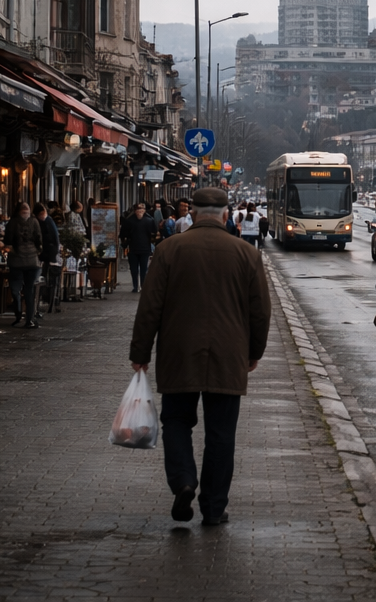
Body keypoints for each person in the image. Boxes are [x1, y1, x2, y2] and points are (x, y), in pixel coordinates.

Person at [129, 186, 269, 527]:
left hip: (178, 352)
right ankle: (213, 507)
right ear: (226, 215)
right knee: (221, 434)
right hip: (228, 353)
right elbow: (260, 312)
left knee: (176, 422)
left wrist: (140, 352)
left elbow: (150, 307)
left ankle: (183, 481)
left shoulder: (168, 250)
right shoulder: (246, 254)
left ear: (191, 213)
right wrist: (254, 352)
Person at [2, 203, 43, 328]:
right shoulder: (30, 222)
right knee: (26, 291)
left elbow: (8, 241)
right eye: (24, 209)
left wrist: (11, 250)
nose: (25, 211)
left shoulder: (13, 223)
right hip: (27, 261)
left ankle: (23, 316)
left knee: (18, 290)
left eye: (27, 208)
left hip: (20, 261)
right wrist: (38, 251)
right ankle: (26, 318)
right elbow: (39, 240)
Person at [121, 201, 160, 292]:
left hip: (144, 248)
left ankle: (142, 286)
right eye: (138, 209)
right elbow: (124, 235)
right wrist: (125, 246)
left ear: (144, 211)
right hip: (133, 249)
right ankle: (135, 286)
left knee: (143, 269)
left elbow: (154, 234)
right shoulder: (129, 221)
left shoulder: (149, 221)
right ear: (135, 211)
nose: (140, 211)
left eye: (142, 209)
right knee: (134, 269)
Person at [35, 203, 63, 312]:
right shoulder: (48, 221)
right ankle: (49, 301)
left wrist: (50, 256)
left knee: (45, 280)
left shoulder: (47, 222)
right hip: (49, 256)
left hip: (47, 256)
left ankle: (45, 300)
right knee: (48, 280)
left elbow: (50, 240)